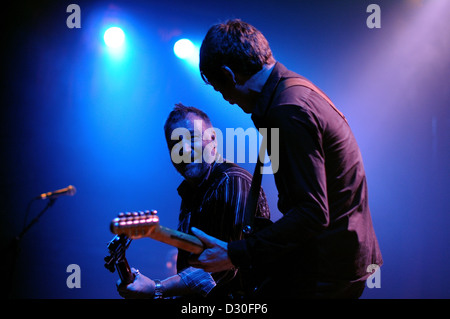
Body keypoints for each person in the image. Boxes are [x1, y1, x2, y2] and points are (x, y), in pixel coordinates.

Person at [188, 19, 383, 298]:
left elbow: (313, 213)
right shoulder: (294, 89)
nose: (228, 101)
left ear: (230, 75)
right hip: (340, 256)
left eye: (222, 91)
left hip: (328, 268)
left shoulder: (287, 110)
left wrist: (235, 253)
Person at [116, 103, 270, 299]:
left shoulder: (232, 180)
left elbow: (224, 267)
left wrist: (158, 287)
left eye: (192, 138)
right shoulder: (192, 193)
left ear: (213, 139)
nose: (184, 149)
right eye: (174, 144)